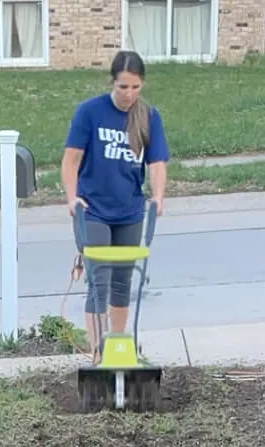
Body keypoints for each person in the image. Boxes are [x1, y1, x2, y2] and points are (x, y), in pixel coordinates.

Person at [61, 50, 169, 363]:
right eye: (123, 87)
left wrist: (158, 196)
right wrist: (72, 197)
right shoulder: (90, 112)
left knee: (123, 281)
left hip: (130, 211)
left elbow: (157, 162)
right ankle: (97, 352)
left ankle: (118, 348)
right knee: (99, 280)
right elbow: (71, 160)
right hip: (92, 209)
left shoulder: (149, 116)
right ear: (113, 82)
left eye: (135, 87)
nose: (129, 94)